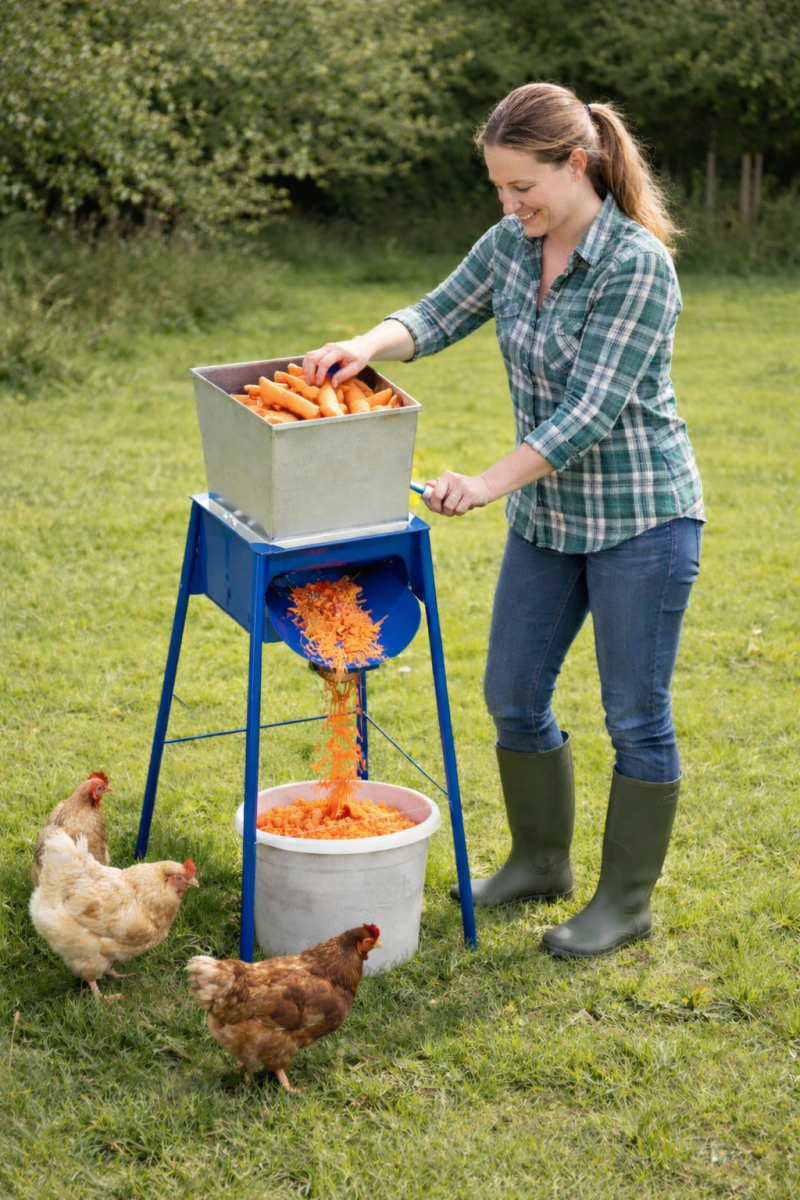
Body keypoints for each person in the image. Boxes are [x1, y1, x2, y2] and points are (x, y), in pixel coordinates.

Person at [303, 82, 705, 959]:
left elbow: (589, 415)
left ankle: (624, 902)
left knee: (636, 714)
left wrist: (485, 484)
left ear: (577, 163)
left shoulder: (637, 265)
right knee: (513, 695)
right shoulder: (511, 245)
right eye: (497, 187)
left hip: (642, 517)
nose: (510, 204)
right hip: (551, 518)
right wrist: (366, 346)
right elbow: (437, 312)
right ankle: (538, 862)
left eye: (523, 187)